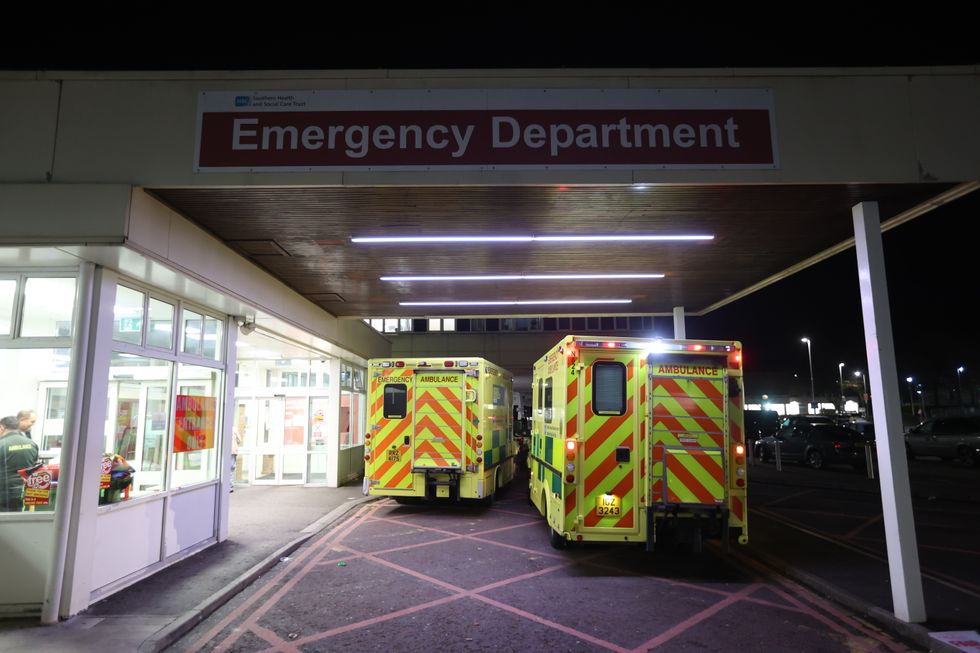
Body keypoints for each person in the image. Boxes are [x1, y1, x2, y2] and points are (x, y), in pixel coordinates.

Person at [1, 415, 39, 512]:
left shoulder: (2, 444)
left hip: (3, 493)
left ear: (2, 428)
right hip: (25, 492)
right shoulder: (32, 444)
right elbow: (35, 466)